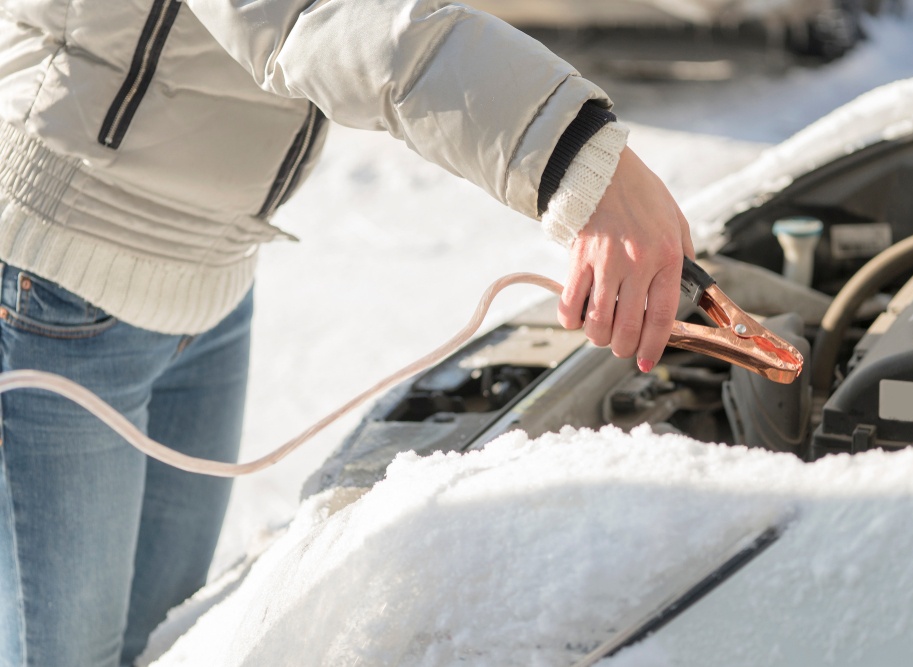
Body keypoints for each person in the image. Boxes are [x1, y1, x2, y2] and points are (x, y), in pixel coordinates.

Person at [0, 1, 693, 665]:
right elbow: (316, 17)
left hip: (212, 269)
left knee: (165, 640)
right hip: (61, 279)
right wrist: (570, 151)